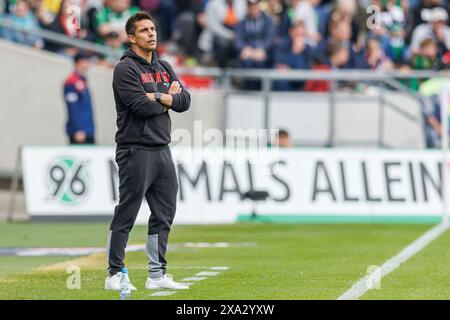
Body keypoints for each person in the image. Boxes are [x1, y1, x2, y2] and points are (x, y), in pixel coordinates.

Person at [105, 11, 191, 291]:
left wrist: (159, 97)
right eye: (144, 30)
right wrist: (168, 97)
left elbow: (185, 100)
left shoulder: (164, 65)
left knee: (165, 212)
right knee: (128, 211)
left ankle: (156, 274)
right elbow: (140, 107)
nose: (151, 34)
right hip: (135, 149)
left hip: (162, 149)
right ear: (131, 37)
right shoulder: (125, 69)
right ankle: (114, 273)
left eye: (153, 29)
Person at [63, 51, 96, 144]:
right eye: (83, 62)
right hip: (80, 132)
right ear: (76, 63)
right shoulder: (72, 81)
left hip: (88, 129)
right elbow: (73, 107)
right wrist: (78, 129)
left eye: (87, 62)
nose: (86, 65)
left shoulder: (83, 80)